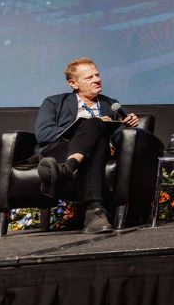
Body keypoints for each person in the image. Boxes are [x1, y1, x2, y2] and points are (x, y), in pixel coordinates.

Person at [35, 57, 141, 234]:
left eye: (97, 75)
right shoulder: (54, 102)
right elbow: (43, 134)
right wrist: (86, 126)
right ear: (73, 83)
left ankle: (68, 169)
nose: (97, 80)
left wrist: (126, 126)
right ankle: (93, 213)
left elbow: (117, 141)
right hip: (59, 149)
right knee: (93, 125)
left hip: (98, 151)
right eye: (89, 77)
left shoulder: (110, 104)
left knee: (97, 138)